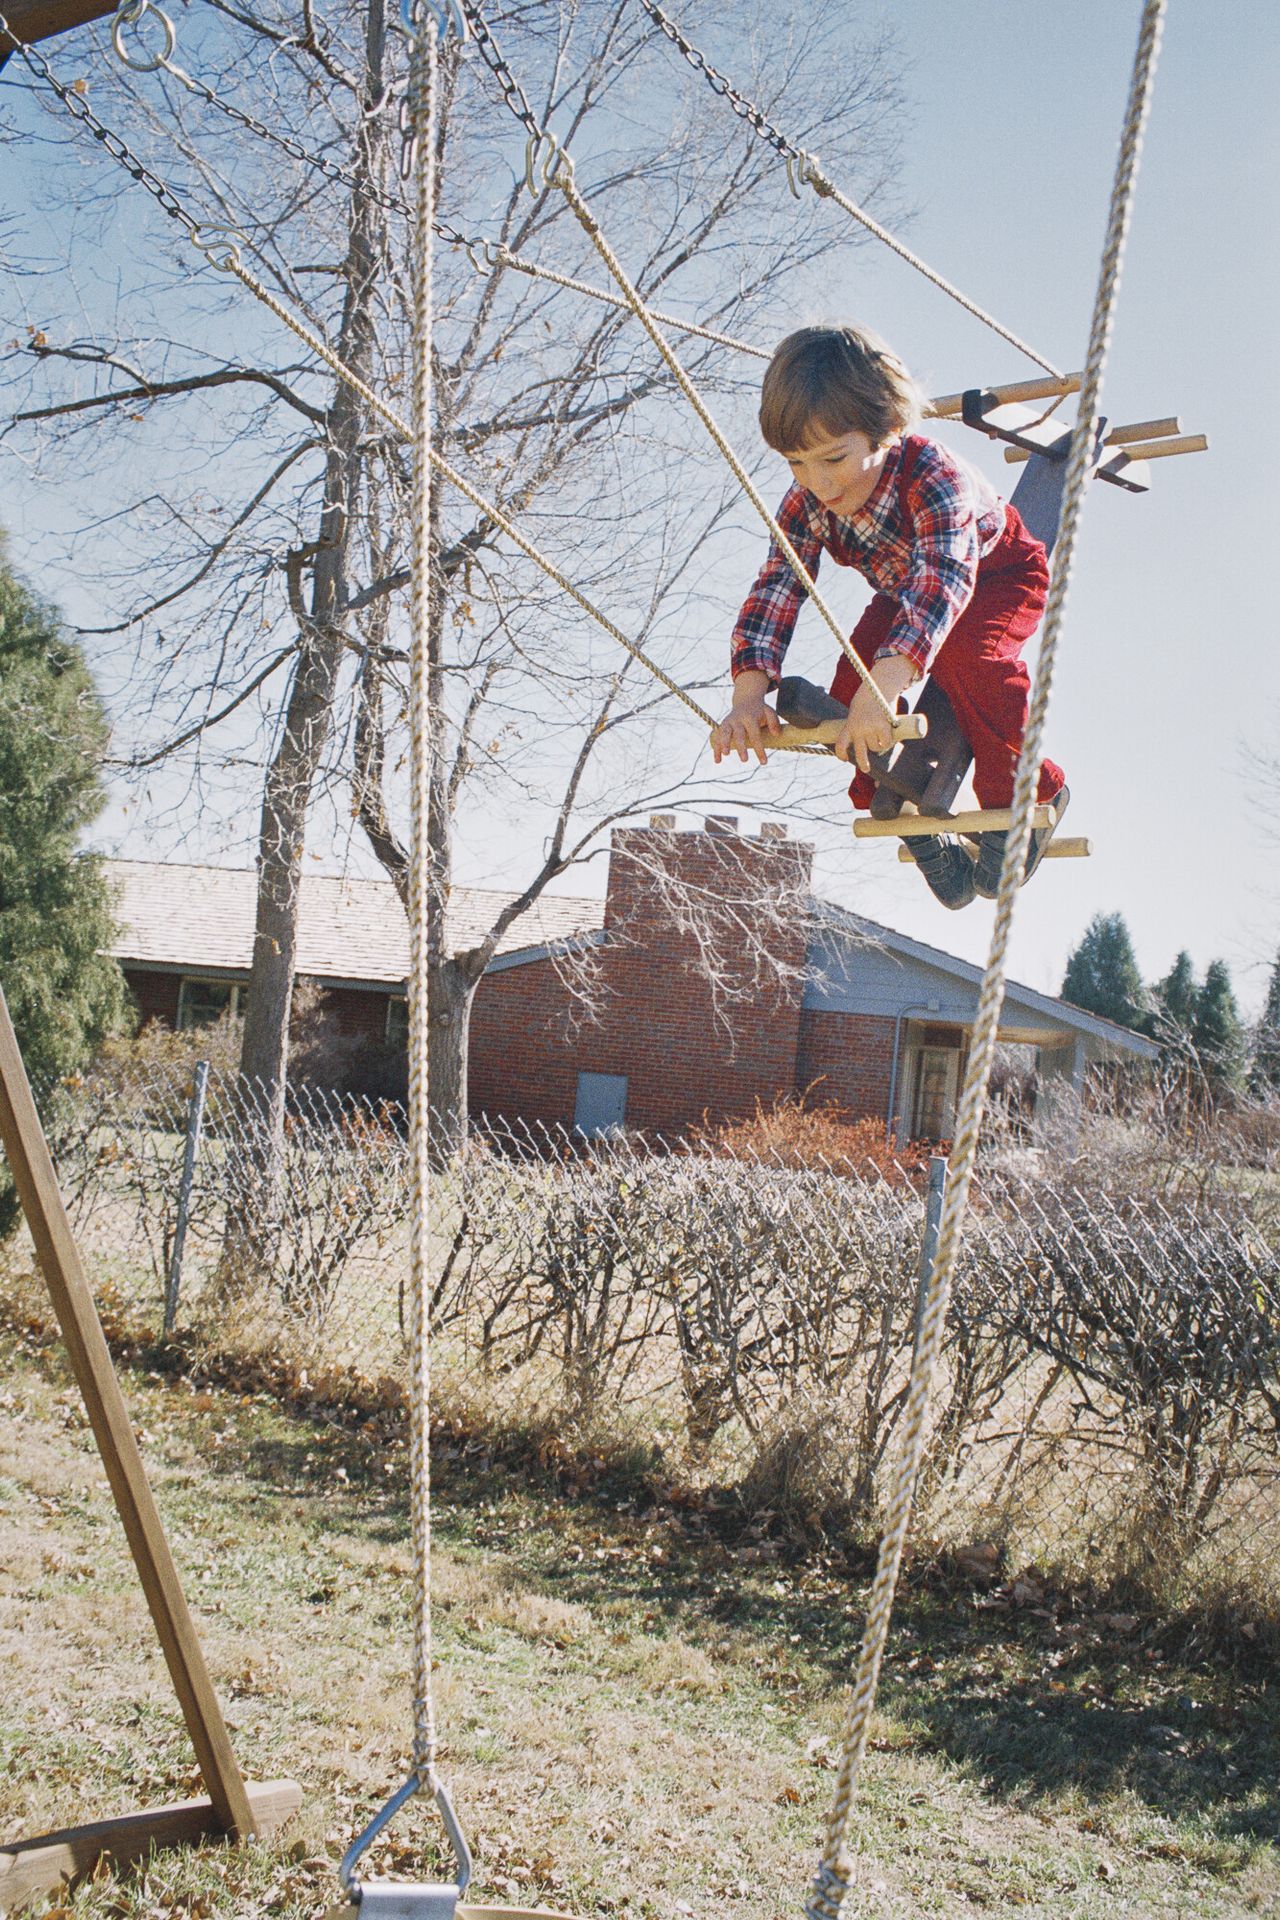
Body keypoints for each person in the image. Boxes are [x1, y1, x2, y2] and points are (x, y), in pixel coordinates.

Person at [711, 324, 1068, 909]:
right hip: (904, 591)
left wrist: (888, 684)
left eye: (833, 457)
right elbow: (778, 587)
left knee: (971, 661)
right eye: (796, 463)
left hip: (996, 576)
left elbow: (945, 579)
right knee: (850, 689)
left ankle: (1022, 802)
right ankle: (902, 804)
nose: (817, 481)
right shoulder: (805, 503)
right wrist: (747, 697)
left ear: (890, 429)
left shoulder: (931, 472)